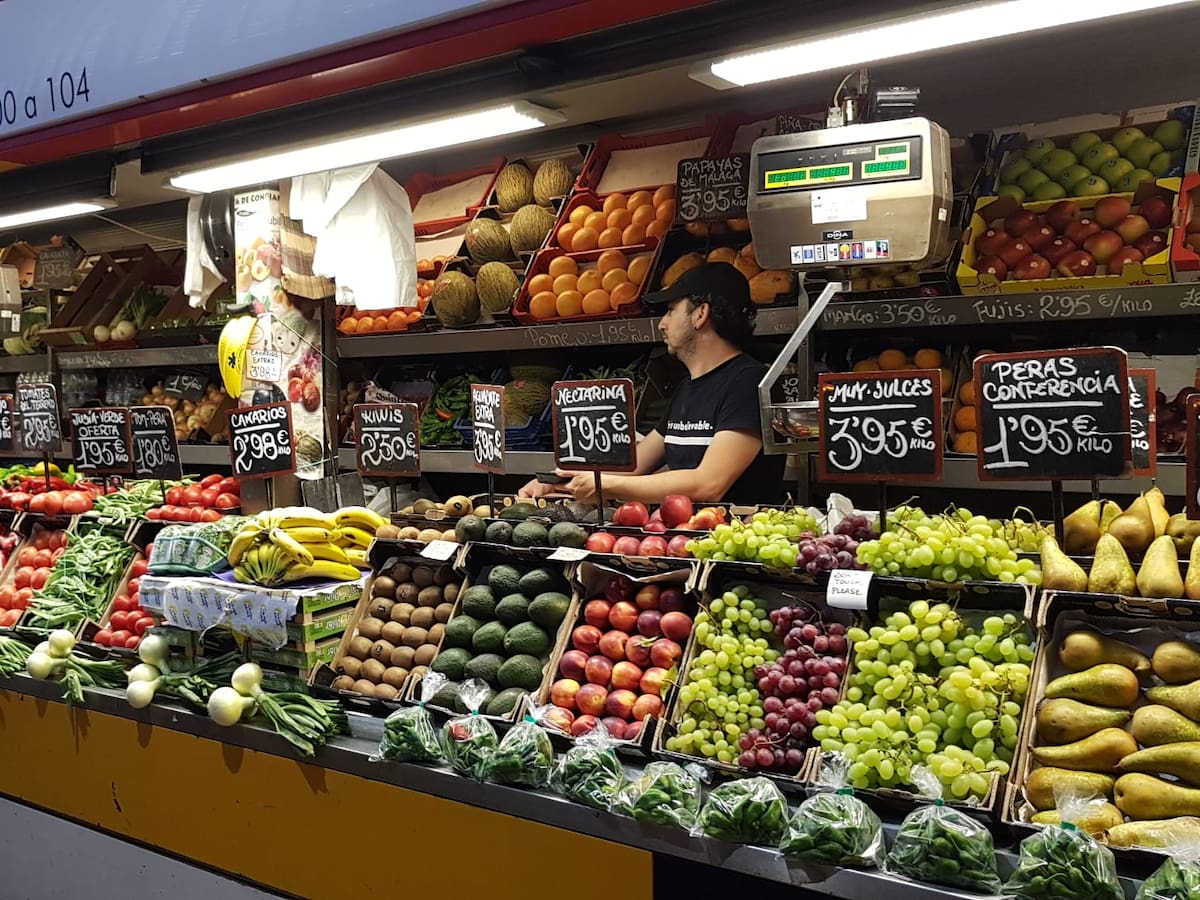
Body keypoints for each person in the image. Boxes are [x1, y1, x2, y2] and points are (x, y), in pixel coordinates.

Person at [519, 261, 785, 506]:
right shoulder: (687, 388)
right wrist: (556, 481)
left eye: (670, 311)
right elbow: (634, 464)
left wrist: (606, 485)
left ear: (700, 314)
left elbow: (709, 484)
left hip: (733, 549)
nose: (662, 324)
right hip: (680, 542)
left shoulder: (750, 384)